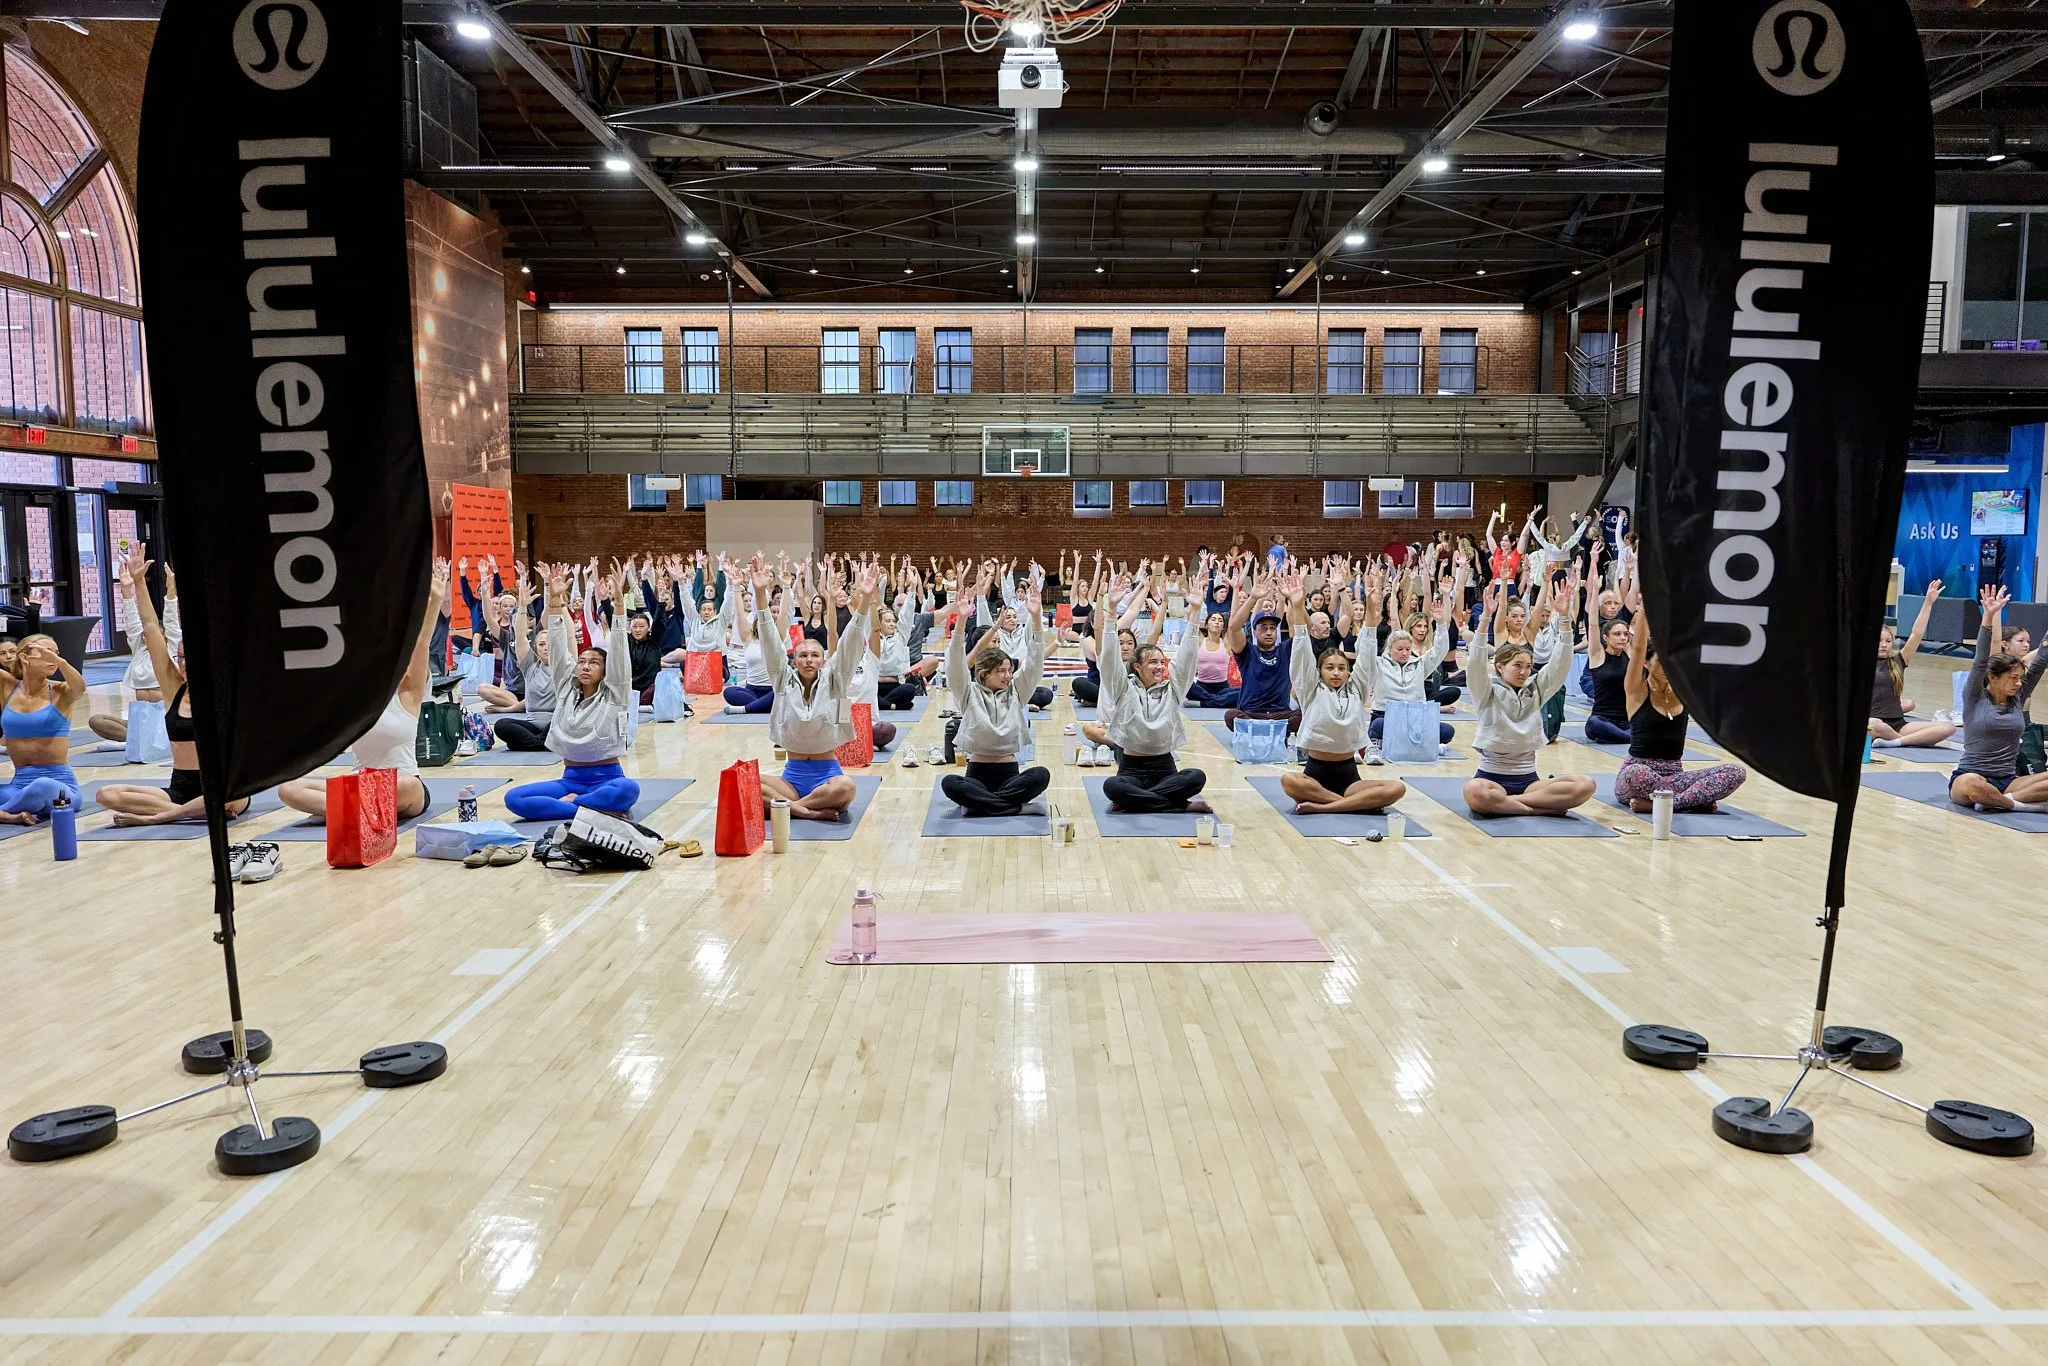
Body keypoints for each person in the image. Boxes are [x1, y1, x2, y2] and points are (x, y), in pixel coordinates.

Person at [277, 559, 443, 824]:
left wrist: (434, 600)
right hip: (358, 784)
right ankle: (360, 811)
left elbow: (421, 643)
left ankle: (347, 810)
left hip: (401, 786)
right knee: (288, 789)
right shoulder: (354, 704)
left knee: (407, 785)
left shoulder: (408, 696)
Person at [95, 553, 254, 825]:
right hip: (180, 789)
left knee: (227, 797)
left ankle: (158, 818)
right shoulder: (174, 691)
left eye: (190, 658)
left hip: (223, 788)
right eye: (180, 658)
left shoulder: (224, 696)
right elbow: (150, 630)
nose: (183, 664)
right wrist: (138, 583)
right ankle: (184, 813)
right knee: (105, 794)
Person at [502, 564, 642, 822]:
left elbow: (620, 651)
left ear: (605, 671)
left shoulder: (615, 693)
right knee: (513, 798)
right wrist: (554, 603)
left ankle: (578, 804)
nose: (586, 666)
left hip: (608, 778)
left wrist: (619, 607)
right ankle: (592, 808)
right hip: (570, 780)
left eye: (594, 662)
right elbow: (556, 648)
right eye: (582, 661)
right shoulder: (566, 687)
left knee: (628, 789)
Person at [1461, 579, 1596, 818]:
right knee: (1475, 792)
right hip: (1491, 779)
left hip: (1530, 781)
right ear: (1500, 667)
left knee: (1585, 785)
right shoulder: (1486, 691)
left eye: (1528, 666)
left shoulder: (1535, 690)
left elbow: (1559, 665)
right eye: (1517, 666)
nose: (1524, 671)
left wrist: (1564, 619)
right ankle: (1536, 810)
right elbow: (1474, 663)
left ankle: (1512, 804)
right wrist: (1485, 620)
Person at [1278, 571, 1406, 815]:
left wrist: (1370, 607)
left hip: (1349, 777)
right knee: (1289, 780)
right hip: (1314, 777)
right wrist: (1296, 606)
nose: (1336, 672)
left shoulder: (1357, 689)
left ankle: (1327, 807)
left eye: (1341, 668)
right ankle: (1346, 805)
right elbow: (1301, 650)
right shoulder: (1311, 689)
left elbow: (1368, 652)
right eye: (1329, 668)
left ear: (1349, 671)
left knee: (1396, 788)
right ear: (1319, 671)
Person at [756, 557, 873, 821]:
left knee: (847, 787)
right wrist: (760, 594)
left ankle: (790, 808)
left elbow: (851, 642)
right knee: (745, 779)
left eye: (815, 655)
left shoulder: (835, 679)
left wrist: (865, 601)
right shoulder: (782, 679)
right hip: (791, 778)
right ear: (793, 660)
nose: (809, 660)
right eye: (803, 655)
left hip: (827, 775)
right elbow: (769, 640)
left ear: (823, 660)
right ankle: (804, 810)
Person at [1611, 591, 1748, 813]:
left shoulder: (1684, 691)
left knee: (1736, 771)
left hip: (1675, 778)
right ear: (1647, 665)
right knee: (1635, 773)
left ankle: (1668, 804)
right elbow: (1637, 650)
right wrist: (1645, 609)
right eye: (1661, 662)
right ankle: (1692, 800)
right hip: (1639, 776)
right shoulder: (1637, 690)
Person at [940, 564, 1052, 817]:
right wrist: (959, 626)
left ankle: (982, 805)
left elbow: (1035, 662)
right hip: (976, 774)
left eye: (1008, 669)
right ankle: (1010, 807)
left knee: (1040, 775)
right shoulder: (968, 693)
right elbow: (954, 664)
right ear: (984, 673)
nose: (1007, 675)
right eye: (1000, 671)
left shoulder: (1016, 691)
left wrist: (1035, 619)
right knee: (949, 782)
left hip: (1010, 774)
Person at [1096, 573, 1210, 814]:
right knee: (1112, 786)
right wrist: (1111, 611)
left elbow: (1188, 658)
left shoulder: (1173, 688)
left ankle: (1137, 802)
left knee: (1196, 776)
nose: (1160, 667)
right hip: (1131, 769)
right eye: (1152, 663)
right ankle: (1178, 805)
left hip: (1165, 768)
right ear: (1137, 667)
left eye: (1161, 662)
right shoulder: (1123, 687)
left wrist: (1195, 613)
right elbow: (1108, 661)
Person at [1948, 587, 2048, 813]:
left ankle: (2003, 801)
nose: (2019, 683)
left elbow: (2041, 661)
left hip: (2009, 781)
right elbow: (1980, 659)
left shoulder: (2018, 696)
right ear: (1992, 678)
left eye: (2020, 678)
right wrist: (1989, 616)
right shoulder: (1975, 696)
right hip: (1972, 776)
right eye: (2013, 678)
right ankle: (2018, 804)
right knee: (1973, 785)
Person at [1363, 565, 1461, 759]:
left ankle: (1404, 739)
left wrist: (1440, 623)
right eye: (1399, 649)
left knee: (1448, 731)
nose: (1404, 653)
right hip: (1386, 716)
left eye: (1407, 649)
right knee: (1377, 726)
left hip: (1415, 718)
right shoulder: (1379, 664)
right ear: (1390, 649)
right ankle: (1416, 741)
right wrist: (1371, 619)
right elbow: (1366, 648)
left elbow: (1440, 650)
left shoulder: (1419, 664)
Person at [87, 550, 179, 746]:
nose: (147, 637)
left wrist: (171, 591)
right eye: (145, 636)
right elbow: (133, 622)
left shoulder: (170, 650)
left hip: (170, 717)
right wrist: (126, 590)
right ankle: (141, 740)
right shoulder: (140, 650)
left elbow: (168, 621)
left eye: (153, 634)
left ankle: (152, 739)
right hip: (143, 719)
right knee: (96, 721)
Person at [0, 629, 87, 825]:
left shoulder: (60, 691)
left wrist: (62, 662)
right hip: (18, 786)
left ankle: (4, 813)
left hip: (61, 791)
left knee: (41, 786)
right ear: (24, 657)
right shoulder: (7, 687)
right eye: (46, 653)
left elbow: (79, 688)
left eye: (55, 654)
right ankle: (13, 810)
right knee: (29, 791)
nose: (53, 659)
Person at [1870, 579, 1957, 747]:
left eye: (1888, 641)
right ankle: (1905, 740)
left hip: (1899, 723)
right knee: (1877, 724)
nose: (1884, 645)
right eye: (1879, 641)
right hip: (1873, 722)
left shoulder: (1898, 660)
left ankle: (1896, 741)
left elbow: (1916, 634)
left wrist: (1928, 602)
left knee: (1949, 727)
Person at [1222, 567, 1300, 734]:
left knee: (1303, 715)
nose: (1269, 631)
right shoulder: (1247, 651)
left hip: (1280, 714)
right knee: (1230, 716)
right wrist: (1253, 597)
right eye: (1263, 628)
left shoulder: (1285, 650)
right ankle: (1272, 731)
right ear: (1255, 631)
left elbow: (1296, 627)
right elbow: (1234, 627)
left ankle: (1261, 731)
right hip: (1251, 714)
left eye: (1272, 628)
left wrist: (1291, 599)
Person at [492, 564, 558, 750]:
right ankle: (542, 744)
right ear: (536, 648)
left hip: (556, 723)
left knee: (566, 723)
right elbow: (519, 635)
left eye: (549, 644)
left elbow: (550, 617)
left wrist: (551, 591)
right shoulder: (530, 666)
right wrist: (521, 606)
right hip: (532, 724)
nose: (546, 648)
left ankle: (532, 742)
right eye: (542, 644)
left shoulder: (563, 665)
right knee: (501, 725)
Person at [1580, 599, 1634, 746]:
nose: (1622, 637)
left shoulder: (1630, 654)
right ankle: (1631, 738)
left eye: (1625, 634)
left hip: (1627, 721)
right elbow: (1592, 625)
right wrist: (1594, 592)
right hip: (1602, 720)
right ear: (1606, 638)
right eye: (1617, 634)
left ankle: (1622, 736)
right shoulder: (1598, 656)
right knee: (1594, 723)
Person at [1186, 610, 1239, 710]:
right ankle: (1219, 701)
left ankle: (1204, 703)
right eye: (1213, 619)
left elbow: (1234, 621)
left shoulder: (1226, 642)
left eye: (1220, 620)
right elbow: (1191, 620)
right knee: (1187, 687)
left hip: (1222, 688)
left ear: (1223, 626)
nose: (1217, 622)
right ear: (1206, 625)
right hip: (1201, 688)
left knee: (1243, 692)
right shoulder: (1201, 640)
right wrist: (1194, 605)